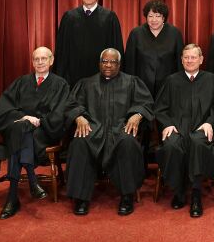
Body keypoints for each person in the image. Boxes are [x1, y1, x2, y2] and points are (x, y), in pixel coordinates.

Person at [64, 48, 154, 216]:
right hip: (93, 129)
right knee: (80, 142)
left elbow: (146, 103)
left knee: (128, 142)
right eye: (105, 61)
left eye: (113, 62)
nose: (108, 65)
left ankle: (127, 196)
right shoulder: (86, 83)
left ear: (119, 64)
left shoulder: (132, 82)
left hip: (120, 128)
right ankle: (81, 197)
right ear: (99, 63)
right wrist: (79, 117)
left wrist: (138, 114)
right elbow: (72, 105)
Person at [0, 46, 69, 220]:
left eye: (43, 59)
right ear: (32, 62)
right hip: (20, 127)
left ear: (51, 60)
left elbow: (59, 113)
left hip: (43, 130)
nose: (39, 62)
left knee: (20, 132)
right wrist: (24, 117)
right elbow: (4, 108)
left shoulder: (60, 84)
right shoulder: (21, 82)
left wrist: (39, 121)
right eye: (36, 59)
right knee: (21, 128)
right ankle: (32, 180)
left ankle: (12, 197)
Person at [154, 44, 214, 218]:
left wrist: (210, 123)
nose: (189, 60)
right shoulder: (172, 80)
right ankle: (178, 192)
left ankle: (196, 194)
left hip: (202, 131)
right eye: (186, 57)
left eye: (193, 57)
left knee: (197, 142)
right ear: (181, 60)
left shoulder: (211, 79)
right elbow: (160, 109)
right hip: (178, 130)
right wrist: (168, 124)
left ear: (201, 60)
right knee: (171, 145)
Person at [55, 0, 124, 87]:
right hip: (73, 78)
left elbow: (116, 49)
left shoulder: (109, 17)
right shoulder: (69, 17)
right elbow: (61, 50)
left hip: (101, 78)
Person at [123, 0, 184, 97]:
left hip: (168, 86)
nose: (154, 20)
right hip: (141, 86)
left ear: (163, 18)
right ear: (146, 17)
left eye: (157, 16)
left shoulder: (175, 33)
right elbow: (130, 63)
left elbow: (180, 62)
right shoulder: (136, 33)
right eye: (150, 16)